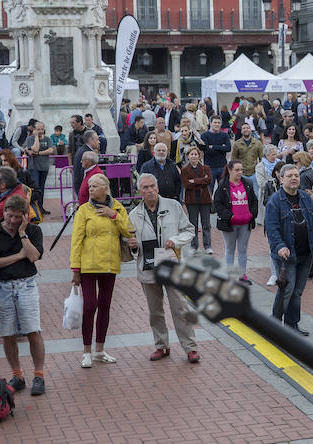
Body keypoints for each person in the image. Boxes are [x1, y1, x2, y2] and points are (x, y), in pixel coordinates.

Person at [128, 173, 199, 363]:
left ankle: (190, 348)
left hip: (171, 266)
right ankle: (161, 346)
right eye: (145, 188)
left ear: (157, 188)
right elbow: (129, 249)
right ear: (139, 191)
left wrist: (175, 241)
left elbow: (189, 231)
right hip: (148, 268)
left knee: (180, 308)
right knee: (155, 311)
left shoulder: (173, 206)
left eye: (152, 186)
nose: (150, 190)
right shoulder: (134, 215)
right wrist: (133, 246)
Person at [0, 196, 46, 395]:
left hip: (26, 285)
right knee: (7, 333)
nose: (12, 221)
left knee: (33, 330)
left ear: (25, 217)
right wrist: (19, 256)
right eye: (9, 216)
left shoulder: (33, 231)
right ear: (4, 213)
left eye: (17, 218)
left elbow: (34, 256)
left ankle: (39, 375)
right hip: (2, 287)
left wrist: (22, 234)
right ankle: (17, 374)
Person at [70, 174, 133, 368]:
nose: (90, 189)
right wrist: (75, 269)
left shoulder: (117, 207)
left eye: (95, 186)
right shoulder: (83, 210)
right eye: (89, 186)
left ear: (105, 188)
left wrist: (112, 215)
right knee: (90, 305)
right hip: (89, 265)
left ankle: (100, 350)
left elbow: (129, 230)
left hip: (109, 263)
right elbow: (76, 240)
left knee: (105, 305)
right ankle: (86, 351)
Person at [265, 164, 313, 336]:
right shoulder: (275, 201)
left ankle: (292, 325)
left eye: (296, 175)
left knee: (297, 291)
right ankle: (274, 325)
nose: (294, 178)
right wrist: (280, 246)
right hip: (287, 256)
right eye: (289, 176)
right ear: (281, 179)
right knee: (287, 289)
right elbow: (272, 229)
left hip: (306, 253)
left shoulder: (305, 198)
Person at [213, 160, 258, 283]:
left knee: (243, 250)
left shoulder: (247, 183)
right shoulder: (223, 185)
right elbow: (217, 203)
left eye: (241, 170)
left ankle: (242, 275)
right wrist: (230, 216)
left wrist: (251, 214)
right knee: (230, 249)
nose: (240, 172)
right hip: (230, 224)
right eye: (237, 170)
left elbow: (254, 201)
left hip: (245, 223)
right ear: (229, 170)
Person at [179, 146, 213, 253]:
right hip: (191, 201)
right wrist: (201, 181)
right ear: (188, 156)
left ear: (199, 156)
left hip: (205, 200)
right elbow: (186, 184)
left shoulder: (205, 168)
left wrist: (194, 181)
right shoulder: (184, 170)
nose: (194, 156)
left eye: (195, 154)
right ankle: (194, 246)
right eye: (191, 154)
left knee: (206, 224)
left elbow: (209, 180)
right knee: (193, 224)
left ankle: (207, 246)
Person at [24, 122, 53, 215]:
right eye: (38, 129)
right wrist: (36, 137)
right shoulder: (30, 138)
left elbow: (51, 150)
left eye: (42, 129)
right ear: (34, 130)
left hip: (44, 167)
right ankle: (34, 208)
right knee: (35, 188)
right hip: (34, 168)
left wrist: (40, 153)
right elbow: (35, 149)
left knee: (41, 188)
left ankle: (41, 207)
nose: (40, 131)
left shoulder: (47, 139)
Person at [231, 123, 266, 193]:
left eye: (247, 128)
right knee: (241, 194)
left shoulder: (257, 143)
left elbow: (262, 158)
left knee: (256, 195)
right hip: (241, 174)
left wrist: (260, 172)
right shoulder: (237, 143)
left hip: (254, 173)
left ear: (250, 130)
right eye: (244, 128)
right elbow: (233, 160)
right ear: (241, 131)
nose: (246, 130)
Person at [200, 116, 231, 186]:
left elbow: (228, 148)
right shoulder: (204, 136)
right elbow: (207, 150)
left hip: (222, 166)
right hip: (209, 167)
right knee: (209, 191)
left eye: (219, 123)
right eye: (215, 122)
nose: (217, 124)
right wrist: (221, 147)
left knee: (224, 190)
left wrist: (213, 146)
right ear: (210, 123)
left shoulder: (225, 135)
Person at [71, 130, 101, 197]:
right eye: (97, 139)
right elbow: (84, 173)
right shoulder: (86, 153)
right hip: (84, 189)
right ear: (91, 140)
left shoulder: (83, 150)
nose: (99, 142)